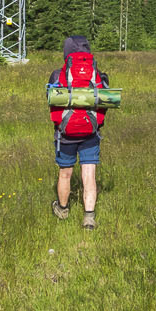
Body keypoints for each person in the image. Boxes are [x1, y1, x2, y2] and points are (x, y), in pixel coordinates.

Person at [48, 33, 109, 227]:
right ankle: (89, 218)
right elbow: (106, 101)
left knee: (65, 173)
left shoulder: (58, 74)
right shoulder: (98, 73)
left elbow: (51, 101)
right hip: (90, 131)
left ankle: (63, 210)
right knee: (89, 174)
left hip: (65, 133)